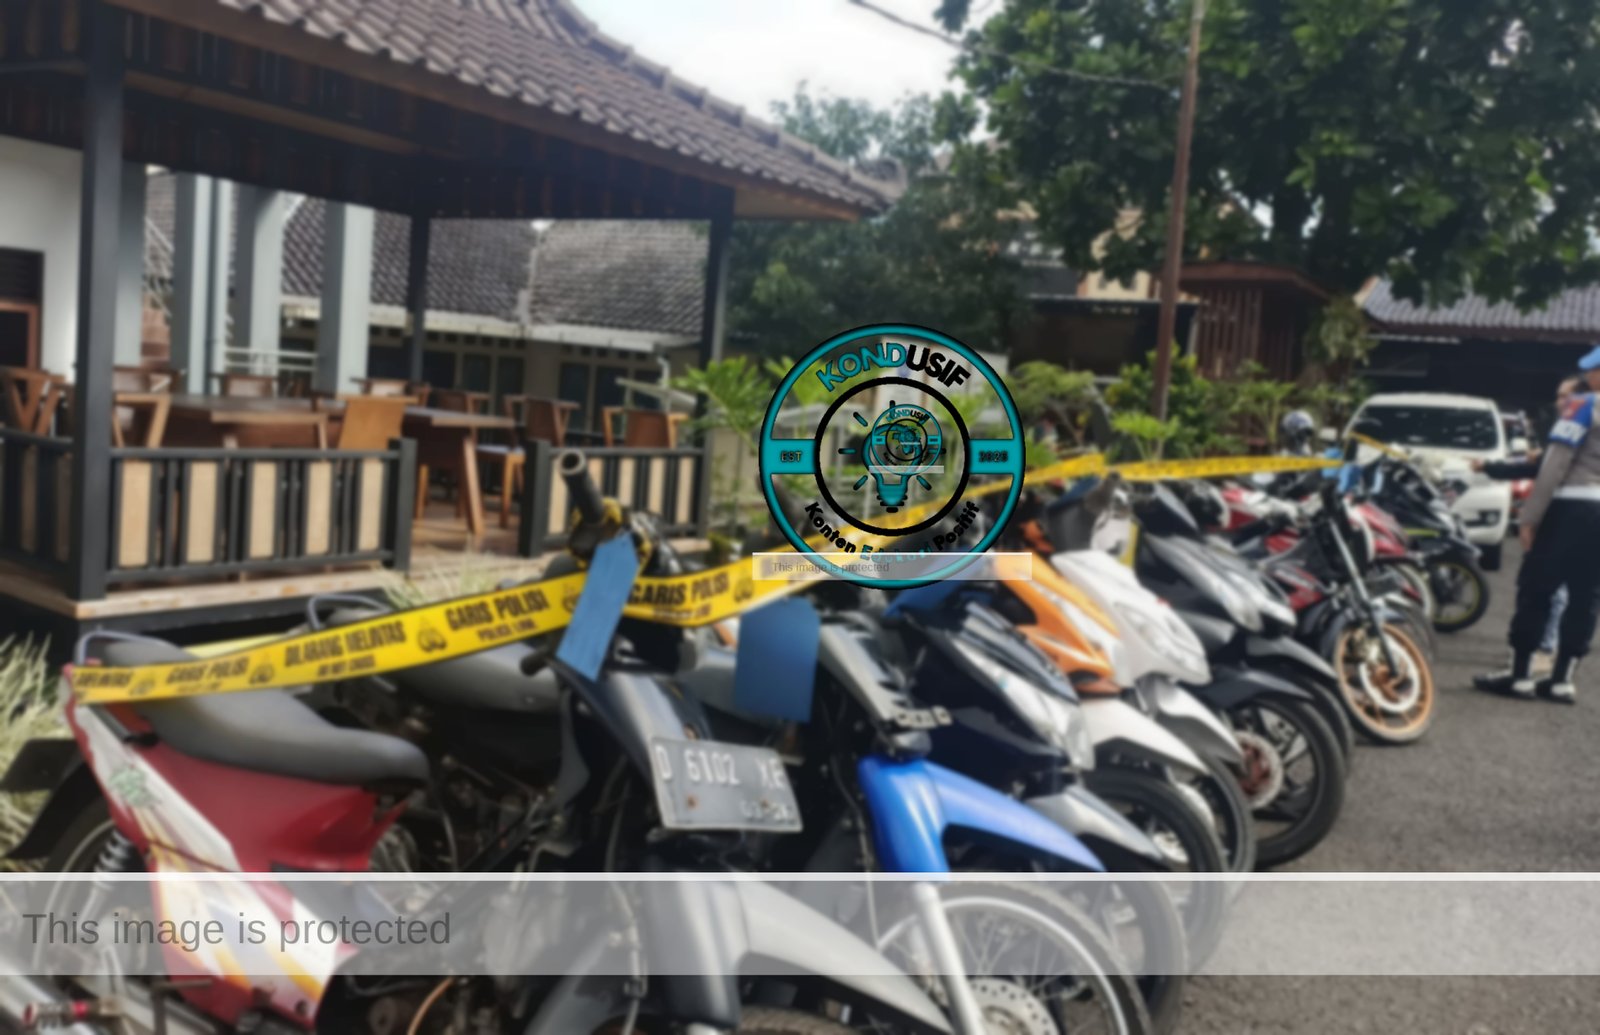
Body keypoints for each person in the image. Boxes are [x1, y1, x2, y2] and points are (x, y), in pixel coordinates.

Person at [1476, 358, 1600, 703]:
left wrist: (1529, 517)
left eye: (1593, 370)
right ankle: (1562, 681)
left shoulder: (1583, 405)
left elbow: (1555, 464)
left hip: (1570, 506)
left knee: (1536, 590)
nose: (1588, 375)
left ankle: (1520, 677)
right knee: (1586, 597)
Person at [1471, 376, 1581, 660]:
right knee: (1558, 586)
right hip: (1569, 516)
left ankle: (1543, 648)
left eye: (1566, 396)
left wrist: (1528, 519)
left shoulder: (1577, 430)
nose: (1560, 402)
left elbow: (1544, 472)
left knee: (1551, 586)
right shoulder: (1568, 430)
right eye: (1559, 396)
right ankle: (1548, 651)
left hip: (1566, 516)